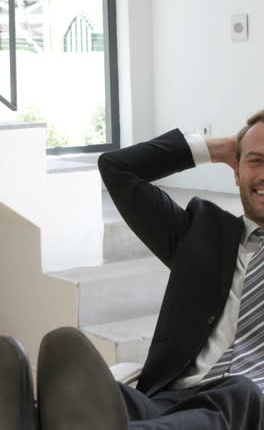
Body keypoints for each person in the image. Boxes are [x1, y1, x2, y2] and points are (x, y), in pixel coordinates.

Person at [2, 110, 264, 429]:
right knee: (101, 398)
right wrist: (223, 147)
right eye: (256, 161)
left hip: (248, 405)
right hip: (166, 400)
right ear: (236, 170)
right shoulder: (203, 235)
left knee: (240, 391)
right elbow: (117, 168)